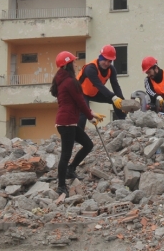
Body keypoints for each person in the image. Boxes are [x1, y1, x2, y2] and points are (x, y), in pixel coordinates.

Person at [50, 51, 104, 198]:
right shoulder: (70, 82)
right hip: (67, 123)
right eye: (73, 61)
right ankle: (61, 186)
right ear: (68, 64)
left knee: (88, 144)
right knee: (65, 155)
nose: (75, 63)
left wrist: (91, 113)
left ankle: (71, 169)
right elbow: (80, 102)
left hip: (67, 122)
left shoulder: (62, 81)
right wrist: (90, 117)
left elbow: (76, 102)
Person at [76, 45, 126, 129]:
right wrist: (113, 97)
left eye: (109, 61)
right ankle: (77, 136)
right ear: (100, 57)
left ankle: (124, 122)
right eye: (105, 60)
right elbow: (98, 85)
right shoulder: (90, 68)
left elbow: (115, 85)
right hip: (80, 92)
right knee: (84, 112)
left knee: (116, 101)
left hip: (94, 92)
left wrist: (122, 102)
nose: (107, 63)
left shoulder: (111, 70)